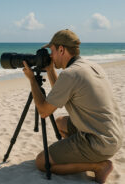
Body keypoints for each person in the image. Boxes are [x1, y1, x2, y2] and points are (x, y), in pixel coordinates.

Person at [22, 29, 123, 183]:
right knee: (60, 122)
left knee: (42, 162)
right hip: (113, 136)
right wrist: (50, 70)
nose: (50, 55)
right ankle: (80, 155)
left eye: (52, 50)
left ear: (61, 49)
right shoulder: (89, 66)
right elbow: (63, 95)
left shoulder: (70, 74)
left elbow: (43, 111)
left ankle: (99, 166)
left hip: (98, 142)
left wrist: (31, 80)